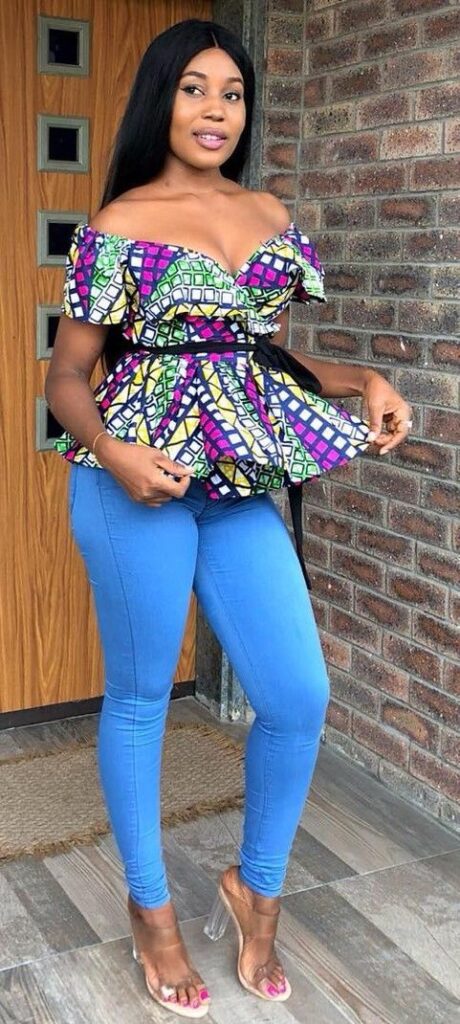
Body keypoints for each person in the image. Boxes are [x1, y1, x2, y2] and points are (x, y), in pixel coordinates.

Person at [45, 18, 413, 1020]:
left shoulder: (267, 213)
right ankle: (151, 911)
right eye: (195, 89)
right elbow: (66, 377)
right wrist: (115, 453)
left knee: (296, 694)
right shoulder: (121, 222)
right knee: (140, 699)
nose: (216, 110)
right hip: (135, 482)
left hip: (236, 483)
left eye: (233, 93)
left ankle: (257, 887)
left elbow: (257, 360)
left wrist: (362, 378)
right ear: (161, 99)